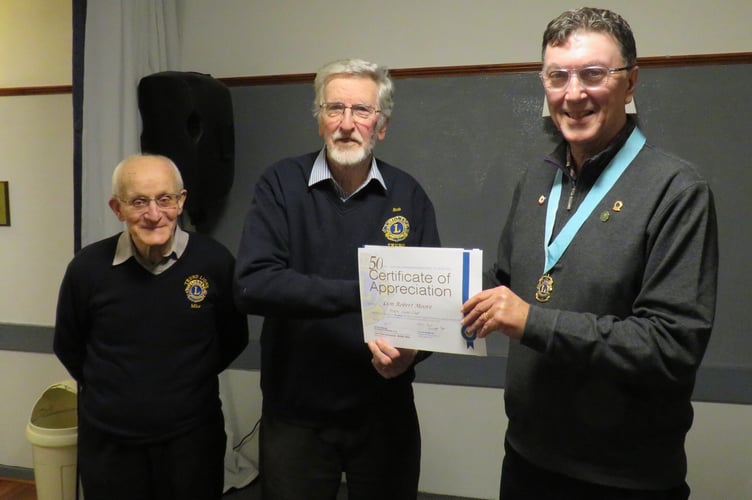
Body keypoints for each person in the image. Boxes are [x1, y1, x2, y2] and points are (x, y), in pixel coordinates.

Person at [461, 7, 718, 500]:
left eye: (593, 74)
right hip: (525, 461)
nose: (573, 93)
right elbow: (500, 286)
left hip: (623, 479)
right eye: (557, 76)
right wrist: (415, 332)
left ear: (631, 81)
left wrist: (531, 321)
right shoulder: (537, 180)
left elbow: (671, 346)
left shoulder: (678, 190)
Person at [234, 58, 441, 500]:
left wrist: (412, 355)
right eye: (335, 109)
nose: (347, 124)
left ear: (380, 126)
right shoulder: (280, 185)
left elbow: (430, 306)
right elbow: (254, 283)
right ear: (320, 119)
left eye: (361, 111)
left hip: (385, 411)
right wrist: (366, 292)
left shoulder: (409, 195)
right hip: (296, 416)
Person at [53, 154, 249, 500]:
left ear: (181, 201)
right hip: (110, 447)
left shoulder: (215, 262)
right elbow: (69, 346)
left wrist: (182, 383)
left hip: (192, 443)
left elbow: (233, 338)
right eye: (139, 202)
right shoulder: (87, 269)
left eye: (165, 199)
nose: (154, 214)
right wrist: (118, 390)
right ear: (117, 208)